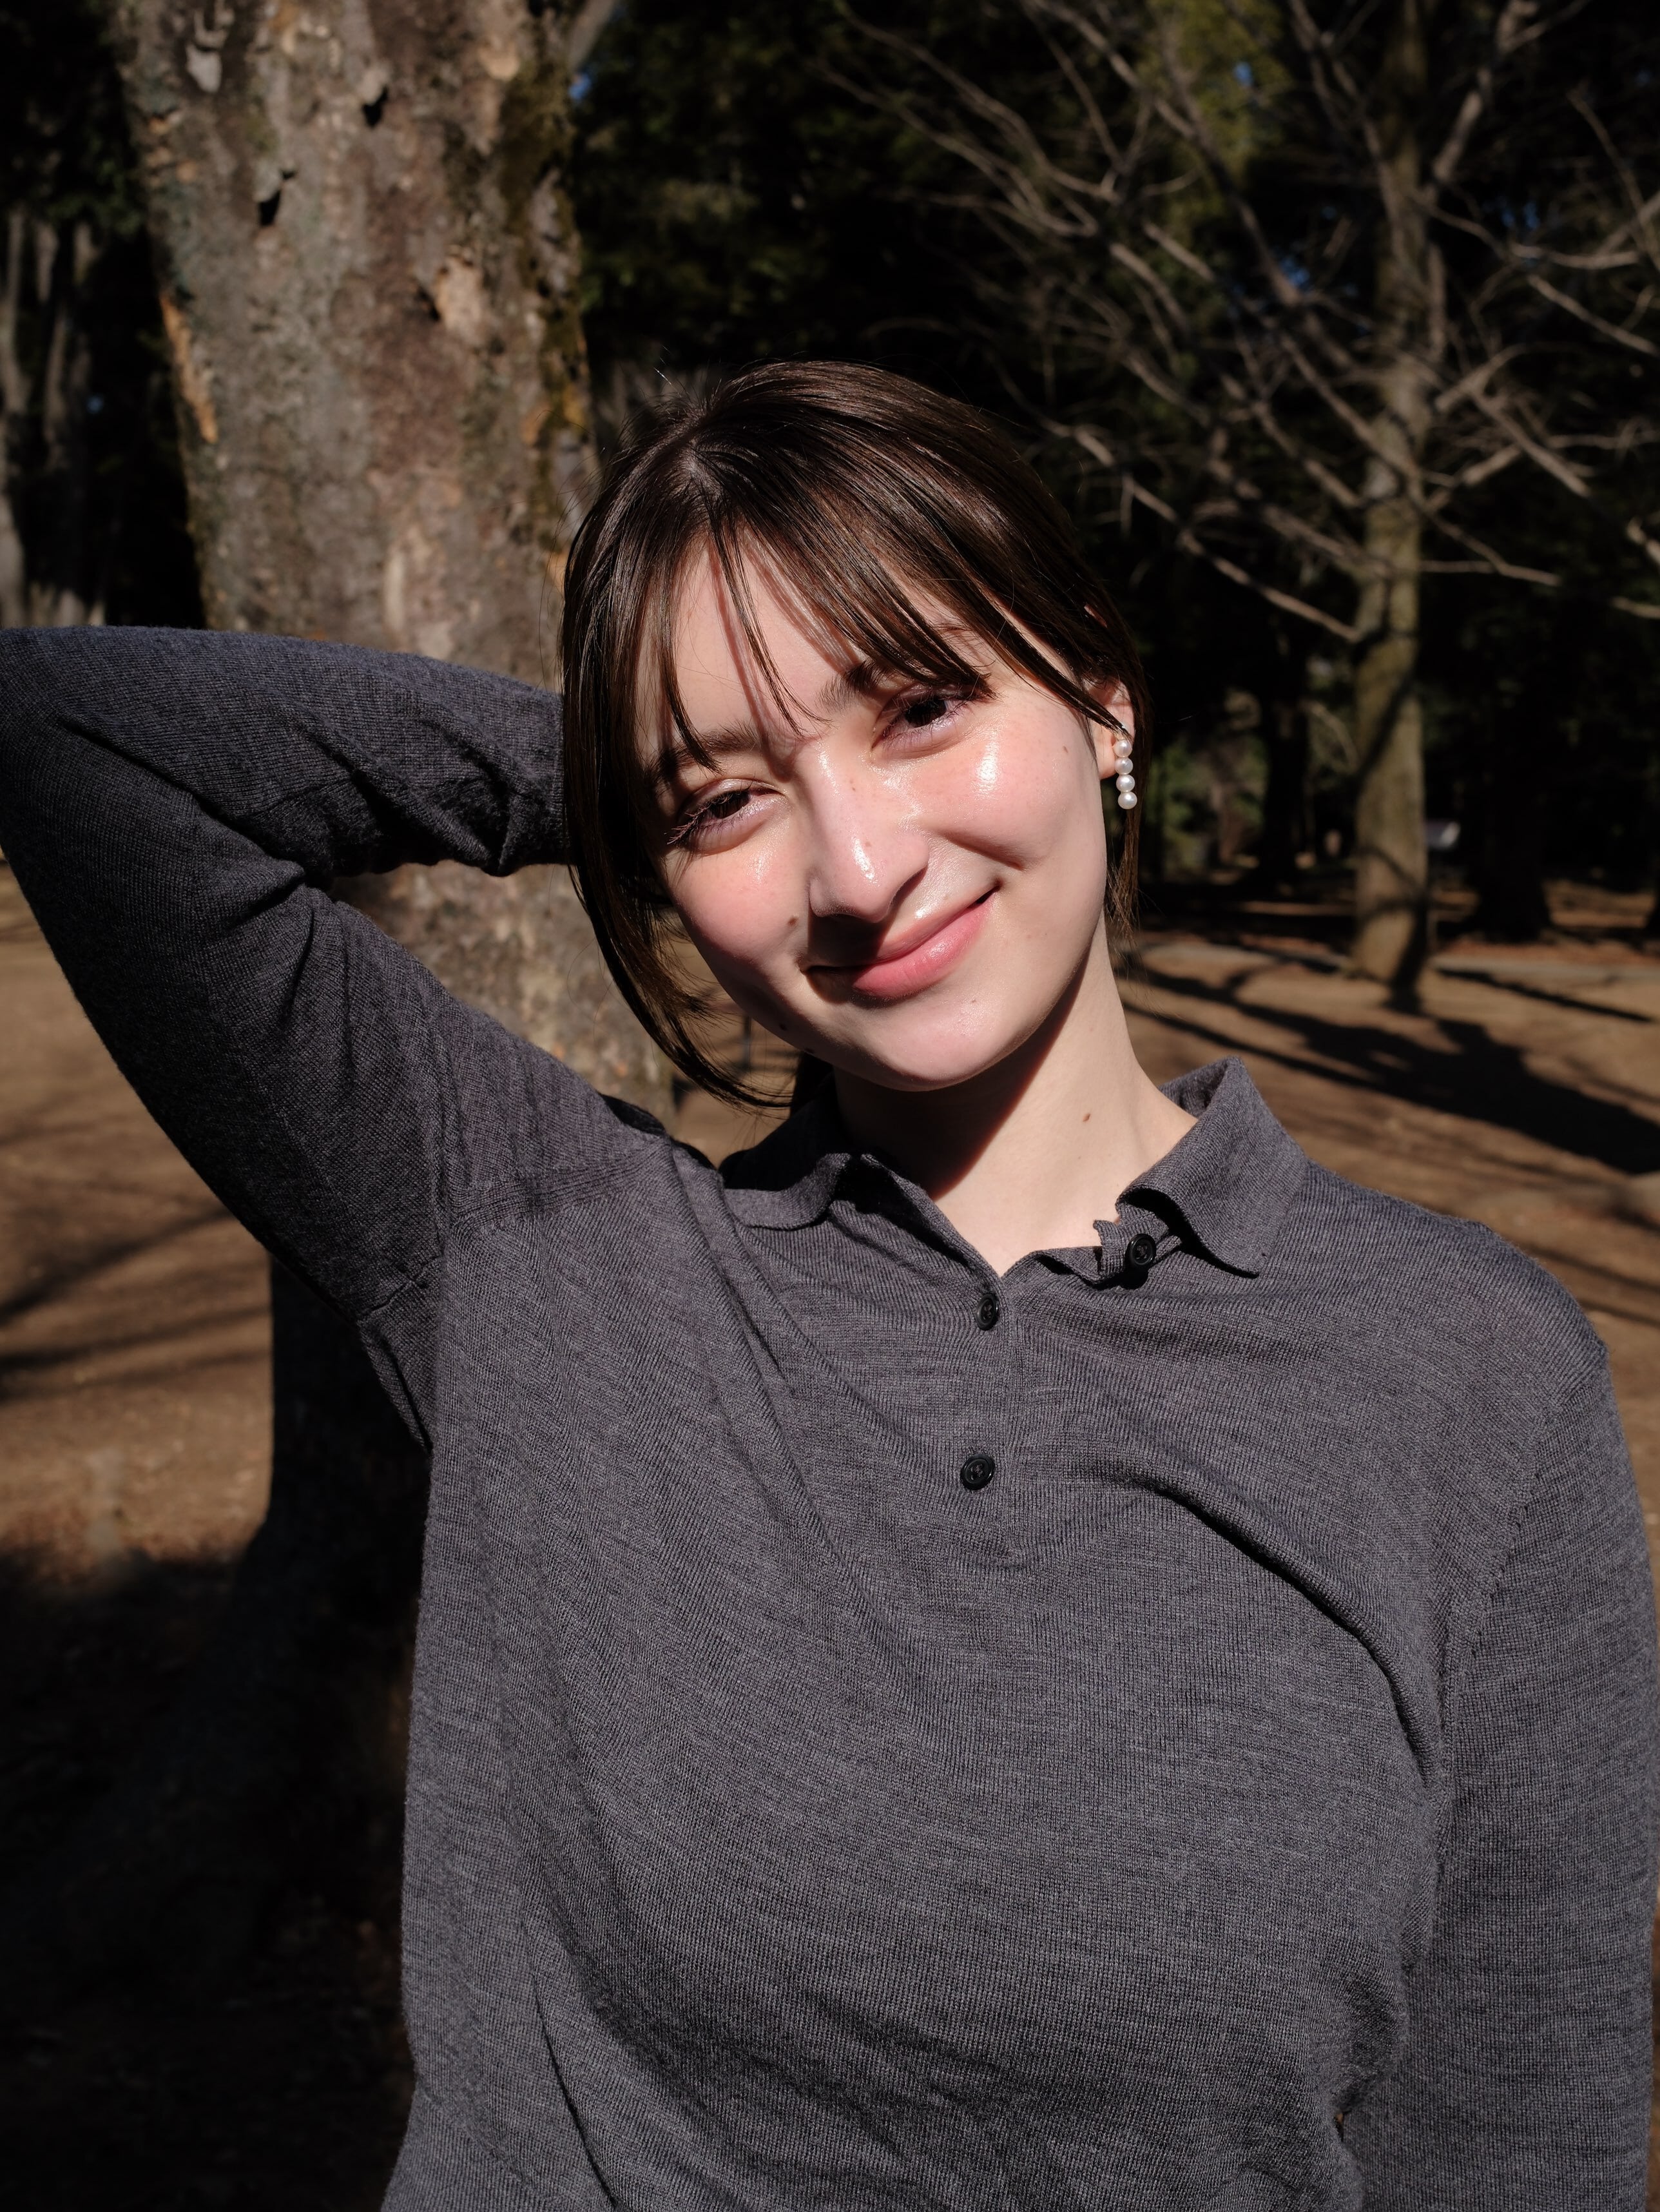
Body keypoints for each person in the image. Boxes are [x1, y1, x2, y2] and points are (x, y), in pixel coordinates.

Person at [1, 360, 1654, 2210]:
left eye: (923, 705)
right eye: (731, 804)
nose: (859, 869)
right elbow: (70, 735)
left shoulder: (1471, 1371)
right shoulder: (543, 1270)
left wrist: (730, 766)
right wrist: (623, 778)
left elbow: (1524, 2146)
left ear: (1102, 695)